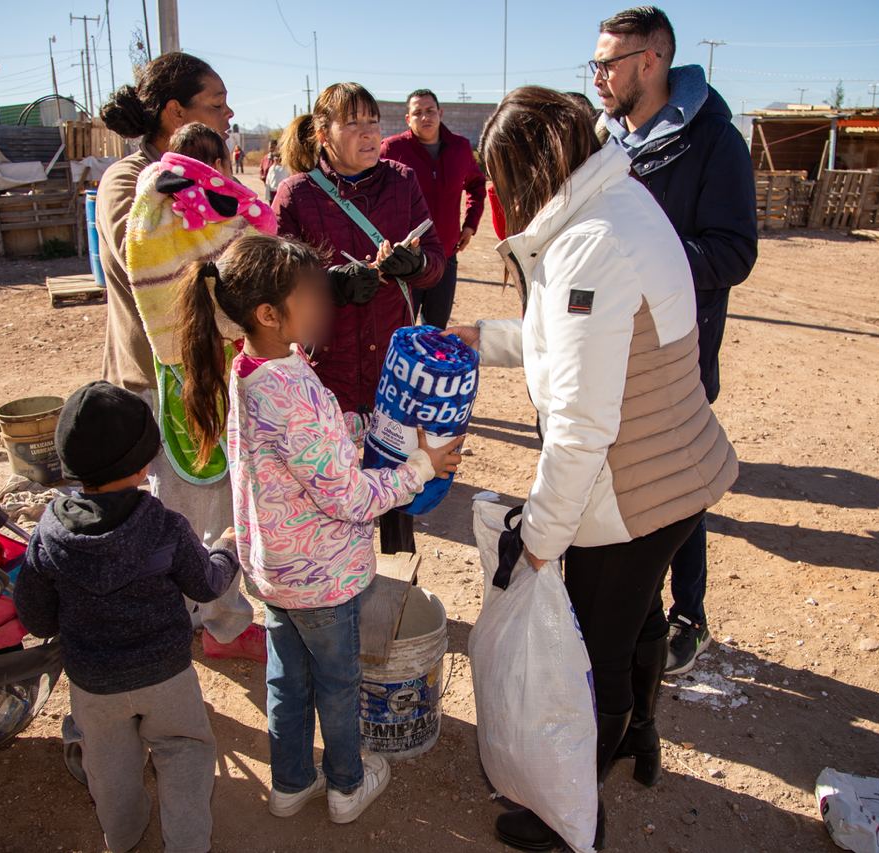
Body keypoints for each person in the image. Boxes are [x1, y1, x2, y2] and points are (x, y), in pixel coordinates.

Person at [449, 86, 737, 851]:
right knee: (641, 618)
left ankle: (573, 818)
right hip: (681, 471)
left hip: (632, 493)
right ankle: (641, 739)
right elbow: (591, 343)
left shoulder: (586, 245)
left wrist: (539, 539)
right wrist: (490, 337)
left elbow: (579, 428)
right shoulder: (617, 205)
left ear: (523, 170)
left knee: (594, 657)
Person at [174, 233, 464, 824]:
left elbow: (304, 449)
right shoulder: (290, 390)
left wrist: (359, 424)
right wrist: (420, 468)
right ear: (269, 314)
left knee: (288, 679)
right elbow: (351, 499)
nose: (325, 302)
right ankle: (346, 787)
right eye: (310, 294)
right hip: (323, 578)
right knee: (337, 684)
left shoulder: (255, 366)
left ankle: (289, 783)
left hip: (277, 570)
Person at [594, 5, 757, 678]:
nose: (598, 76)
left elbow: (734, 253)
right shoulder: (600, 142)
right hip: (604, 350)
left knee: (678, 485)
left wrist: (644, 257)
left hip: (676, 354)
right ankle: (637, 613)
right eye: (596, 63)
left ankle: (688, 612)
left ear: (651, 62)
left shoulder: (714, 143)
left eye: (609, 62)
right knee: (622, 484)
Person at [14, 381, 239, 853]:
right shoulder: (165, 526)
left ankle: (123, 836)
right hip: (167, 676)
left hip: (93, 684)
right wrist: (226, 551)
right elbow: (206, 586)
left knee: (109, 766)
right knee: (185, 752)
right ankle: (188, 844)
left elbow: (36, 617)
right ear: (144, 464)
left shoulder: (49, 533)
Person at [98, 53, 265, 662]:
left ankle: (217, 618)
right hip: (155, 376)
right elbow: (156, 262)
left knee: (214, 496)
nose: (228, 115)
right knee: (182, 507)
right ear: (175, 113)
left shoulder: (208, 176)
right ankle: (203, 625)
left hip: (207, 370)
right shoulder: (131, 179)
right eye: (216, 104)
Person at [273, 81, 445, 555]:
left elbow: (434, 260)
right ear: (323, 134)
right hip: (329, 381)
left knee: (397, 500)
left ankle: (395, 596)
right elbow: (276, 284)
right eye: (354, 124)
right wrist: (331, 285)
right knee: (333, 503)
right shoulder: (296, 196)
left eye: (373, 122)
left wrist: (416, 266)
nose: (369, 134)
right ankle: (340, 600)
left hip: (395, 377)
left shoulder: (401, 181)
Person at [380, 89, 486, 329]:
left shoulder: (460, 148)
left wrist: (471, 224)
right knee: (398, 329)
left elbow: (477, 185)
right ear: (408, 119)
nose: (425, 117)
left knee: (436, 331)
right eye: (417, 113)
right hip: (404, 260)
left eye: (430, 111)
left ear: (440, 112)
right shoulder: (392, 150)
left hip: (445, 256)